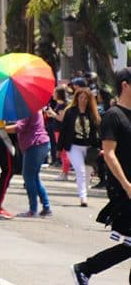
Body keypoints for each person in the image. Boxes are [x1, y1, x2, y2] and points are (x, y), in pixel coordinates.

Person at [74, 68, 131, 284]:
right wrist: (126, 184)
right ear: (125, 85)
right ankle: (86, 268)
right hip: (122, 187)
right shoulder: (113, 116)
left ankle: (85, 269)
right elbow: (109, 153)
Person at [57, 87, 100, 207]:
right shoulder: (70, 112)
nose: (83, 100)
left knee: (87, 172)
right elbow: (64, 130)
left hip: (89, 147)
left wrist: (100, 147)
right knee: (80, 171)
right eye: (81, 97)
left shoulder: (92, 113)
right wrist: (59, 149)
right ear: (77, 98)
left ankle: (84, 192)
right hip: (74, 146)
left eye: (86, 98)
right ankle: (83, 197)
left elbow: (97, 131)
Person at [15, 107, 52, 217]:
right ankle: (46, 207)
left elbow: (19, 127)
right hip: (41, 143)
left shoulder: (28, 109)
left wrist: (1, 128)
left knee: (28, 176)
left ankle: (33, 209)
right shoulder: (35, 107)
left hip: (34, 144)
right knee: (34, 176)